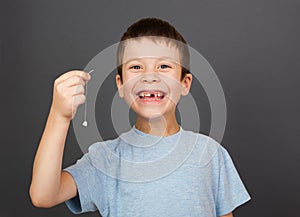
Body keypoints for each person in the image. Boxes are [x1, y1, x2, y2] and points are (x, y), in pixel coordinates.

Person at [29, 17, 251, 217]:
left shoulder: (210, 153)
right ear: (121, 85)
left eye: (164, 66)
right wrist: (59, 116)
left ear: (185, 84)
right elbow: (43, 196)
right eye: (136, 67)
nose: (150, 76)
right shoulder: (105, 159)